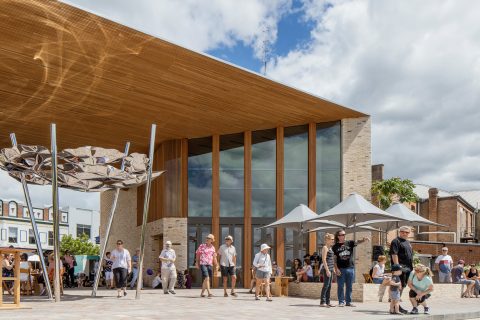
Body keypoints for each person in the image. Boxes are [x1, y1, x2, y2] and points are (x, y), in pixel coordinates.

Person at [333, 230, 370, 307]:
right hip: (341, 269)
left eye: (344, 234)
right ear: (338, 236)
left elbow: (357, 242)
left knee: (349, 286)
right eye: (342, 234)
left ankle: (348, 302)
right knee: (340, 286)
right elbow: (334, 259)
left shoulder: (349, 243)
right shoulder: (335, 247)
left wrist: (363, 239)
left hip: (350, 268)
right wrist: (336, 269)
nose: (344, 235)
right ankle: (341, 302)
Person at [389, 225, 413, 314]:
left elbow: (410, 256)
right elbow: (394, 254)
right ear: (400, 232)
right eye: (403, 232)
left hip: (408, 268)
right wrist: (397, 267)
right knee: (398, 286)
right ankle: (396, 307)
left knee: (402, 286)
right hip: (400, 269)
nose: (405, 233)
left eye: (407, 232)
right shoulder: (396, 241)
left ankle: (396, 305)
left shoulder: (407, 242)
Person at [320, 233, 335, 307]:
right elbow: (324, 259)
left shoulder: (330, 248)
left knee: (329, 286)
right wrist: (327, 270)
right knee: (326, 285)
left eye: (333, 239)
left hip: (331, 268)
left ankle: (328, 302)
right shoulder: (325, 248)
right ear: (327, 240)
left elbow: (331, 259)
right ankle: (322, 302)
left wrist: (333, 269)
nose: (333, 240)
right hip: (327, 269)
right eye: (332, 239)